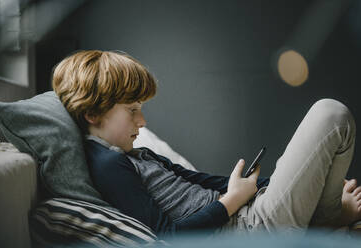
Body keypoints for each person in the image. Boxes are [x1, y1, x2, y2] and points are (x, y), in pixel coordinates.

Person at [52, 49, 361, 238]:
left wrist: (293, 183)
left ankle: (325, 211)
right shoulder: (107, 165)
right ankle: (328, 215)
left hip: (249, 210)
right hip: (246, 228)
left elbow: (200, 180)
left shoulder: (136, 154)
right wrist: (231, 202)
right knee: (331, 114)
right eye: (132, 111)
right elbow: (167, 236)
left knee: (330, 126)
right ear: (93, 113)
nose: (142, 122)